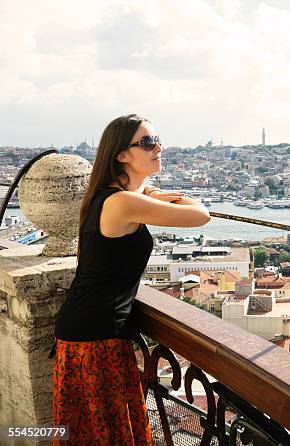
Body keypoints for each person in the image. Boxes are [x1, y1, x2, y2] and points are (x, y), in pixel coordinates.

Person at [51, 114, 210, 445]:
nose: (158, 148)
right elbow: (201, 215)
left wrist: (148, 191)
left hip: (86, 330)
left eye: (157, 140)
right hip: (97, 339)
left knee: (92, 433)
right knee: (110, 433)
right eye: (147, 143)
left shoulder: (107, 196)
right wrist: (167, 195)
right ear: (121, 155)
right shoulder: (123, 203)